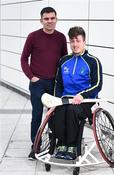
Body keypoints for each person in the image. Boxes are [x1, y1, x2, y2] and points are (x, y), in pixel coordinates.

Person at [46, 26, 103, 160]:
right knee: (59, 111)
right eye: (72, 41)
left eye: (78, 41)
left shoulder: (93, 61)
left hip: (85, 101)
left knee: (72, 110)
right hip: (66, 99)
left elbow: (97, 84)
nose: (75, 44)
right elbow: (58, 84)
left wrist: (82, 95)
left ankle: (72, 145)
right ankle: (62, 144)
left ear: (84, 42)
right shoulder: (64, 60)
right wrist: (55, 103)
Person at [20, 7, 68, 160]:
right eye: (46, 19)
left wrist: (63, 80)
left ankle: (54, 144)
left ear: (56, 19)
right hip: (38, 84)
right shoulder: (33, 36)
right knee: (36, 115)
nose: (49, 21)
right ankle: (35, 146)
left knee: (55, 115)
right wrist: (31, 77)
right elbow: (23, 59)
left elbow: (64, 60)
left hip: (54, 84)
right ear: (41, 20)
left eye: (52, 18)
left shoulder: (60, 38)